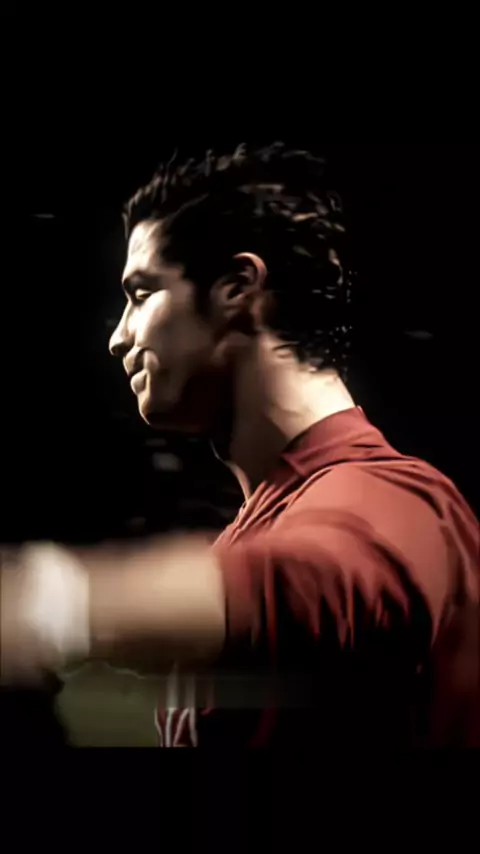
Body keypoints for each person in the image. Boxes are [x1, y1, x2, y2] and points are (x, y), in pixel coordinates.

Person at [1, 143, 478, 748]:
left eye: (141, 294)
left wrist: (50, 604)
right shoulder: (258, 529)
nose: (118, 338)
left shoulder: (398, 498)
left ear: (237, 287)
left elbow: (310, 582)